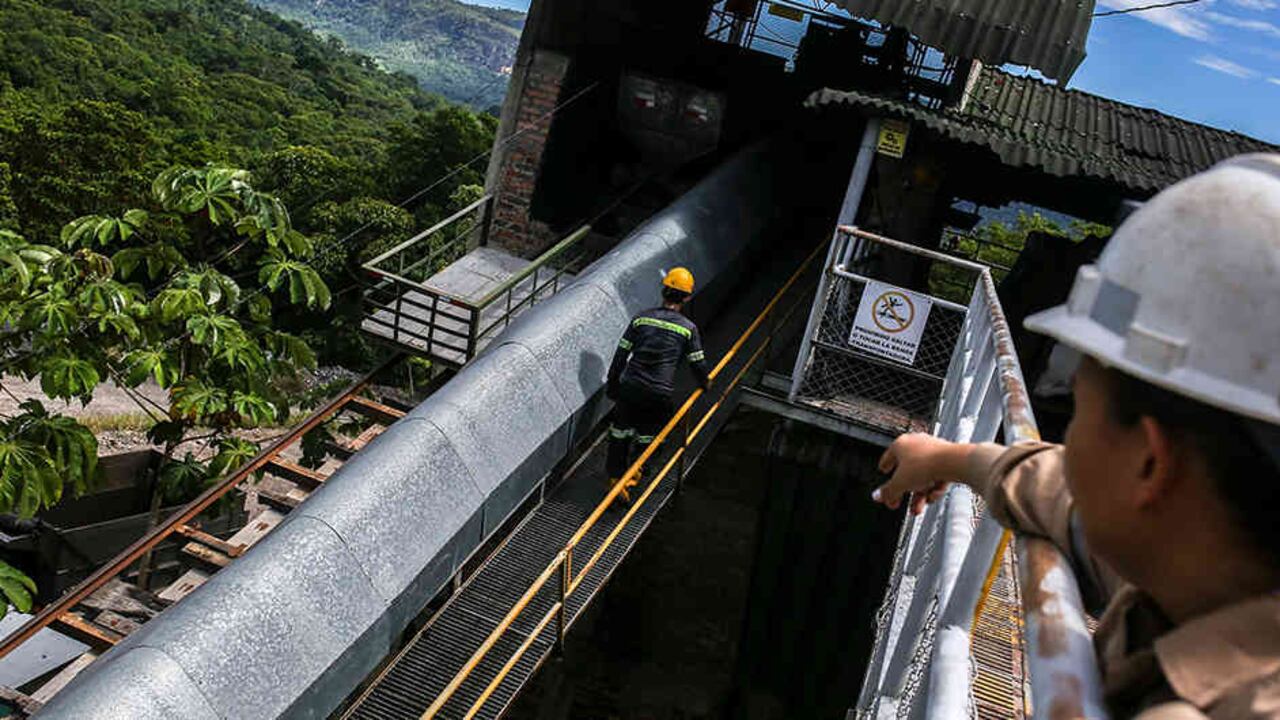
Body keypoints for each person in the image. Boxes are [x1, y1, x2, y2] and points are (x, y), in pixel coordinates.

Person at [872, 154, 1280, 719]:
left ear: (1149, 464)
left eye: (1076, 406)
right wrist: (951, 456)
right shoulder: (1204, 569)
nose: (1065, 436)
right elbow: (1062, 496)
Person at [606, 267, 710, 501]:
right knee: (651, 437)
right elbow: (697, 364)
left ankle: (615, 480)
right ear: (687, 297)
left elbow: (620, 355)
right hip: (658, 394)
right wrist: (706, 384)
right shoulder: (688, 328)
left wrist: (613, 385)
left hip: (630, 388)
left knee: (619, 432)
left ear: (664, 291)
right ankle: (633, 478)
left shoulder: (640, 319)